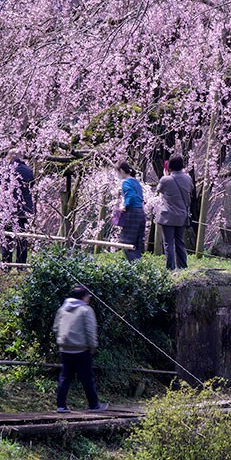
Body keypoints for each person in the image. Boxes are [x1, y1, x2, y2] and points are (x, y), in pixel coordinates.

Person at [53, 285, 108, 413]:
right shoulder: (85, 310)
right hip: (81, 349)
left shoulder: (63, 309)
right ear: (84, 297)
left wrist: (61, 341)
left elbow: (56, 327)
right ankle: (94, 405)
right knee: (87, 378)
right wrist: (93, 346)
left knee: (65, 377)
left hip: (65, 348)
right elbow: (90, 330)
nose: (89, 298)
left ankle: (61, 405)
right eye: (88, 296)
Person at [156, 154, 193, 270]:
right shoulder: (188, 178)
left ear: (170, 166)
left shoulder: (165, 180)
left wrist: (165, 175)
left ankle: (170, 268)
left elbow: (159, 190)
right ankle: (183, 266)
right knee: (180, 242)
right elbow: (190, 190)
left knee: (168, 243)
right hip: (181, 216)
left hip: (168, 216)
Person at [2, 154, 35, 264]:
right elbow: (32, 186)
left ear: (10, 158)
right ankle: (21, 264)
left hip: (9, 209)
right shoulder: (29, 171)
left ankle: (6, 264)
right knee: (22, 237)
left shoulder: (5, 170)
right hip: (24, 209)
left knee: (7, 236)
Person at [115, 161, 146, 261]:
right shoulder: (136, 182)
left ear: (122, 171)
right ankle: (140, 266)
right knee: (137, 242)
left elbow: (130, 196)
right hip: (140, 212)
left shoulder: (126, 182)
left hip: (132, 213)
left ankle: (134, 265)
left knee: (126, 242)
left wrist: (125, 206)